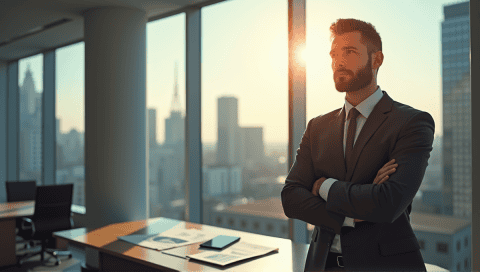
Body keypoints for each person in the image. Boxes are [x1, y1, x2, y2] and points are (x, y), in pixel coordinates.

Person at [281, 18, 434, 271]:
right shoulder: (317, 127)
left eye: (349, 52)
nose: (338, 61)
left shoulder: (412, 123)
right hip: (322, 264)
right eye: (334, 54)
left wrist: (324, 186)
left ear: (377, 60)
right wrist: (355, 211)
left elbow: (389, 203)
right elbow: (291, 198)